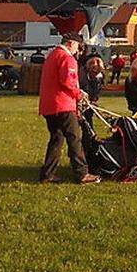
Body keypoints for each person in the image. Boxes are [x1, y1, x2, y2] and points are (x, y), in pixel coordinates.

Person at [38, 32, 98, 184]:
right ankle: (81, 173)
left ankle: (47, 174)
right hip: (63, 105)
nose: (78, 51)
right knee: (74, 138)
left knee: (56, 139)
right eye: (78, 46)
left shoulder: (52, 55)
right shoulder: (67, 58)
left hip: (49, 105)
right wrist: (79, 95)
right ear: (71, 43)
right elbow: (68, 82)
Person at [80, 56, 105, 128]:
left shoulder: (100, 77)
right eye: (95, 71)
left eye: (99, 71)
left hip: (90, 101)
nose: (96, 73)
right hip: (81, 100)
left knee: (88, 118)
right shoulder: (81, 75)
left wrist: (94, 100)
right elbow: (83, 88)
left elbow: (97, 90)